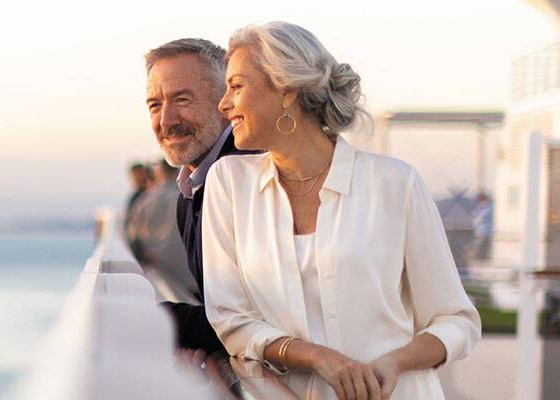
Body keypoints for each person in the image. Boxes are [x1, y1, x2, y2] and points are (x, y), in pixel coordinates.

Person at [201, 22, 481, 400]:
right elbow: (230, 319)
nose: (224, 104)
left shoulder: (395, 183)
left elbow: (457, 320)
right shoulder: (229, 183)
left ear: (287, 90)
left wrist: (393, 363)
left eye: (236, 86)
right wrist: (320, 358)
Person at [144, 37, 262, 356]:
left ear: (226, 104)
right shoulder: (190, 191)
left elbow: (252, 319)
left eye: (182, 100)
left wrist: (143, 317)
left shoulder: (250, 177)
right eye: (155, 105)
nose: (166, 120)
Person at [126, 160, 195, 304]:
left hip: (157, 269)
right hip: (189, 273)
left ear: (159, 173)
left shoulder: (144, 201)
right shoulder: (189, 197)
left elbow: (133, 236)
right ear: (177, 171)